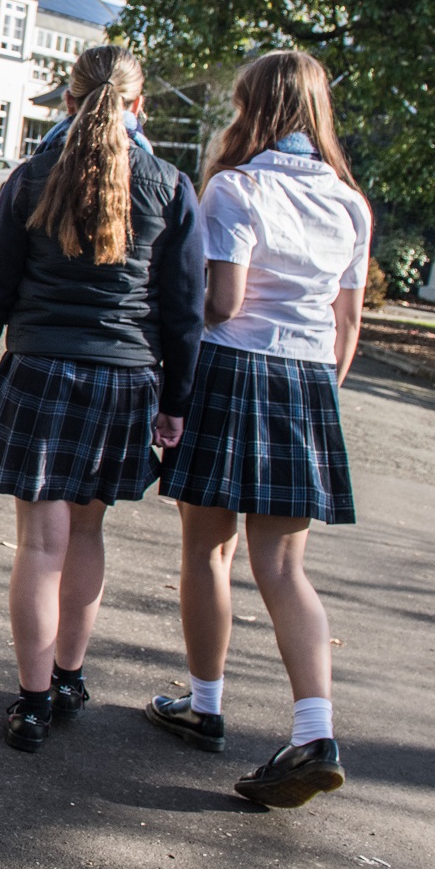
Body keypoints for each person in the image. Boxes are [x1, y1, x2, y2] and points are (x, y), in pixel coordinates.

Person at [0, 45, 204, 752]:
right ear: (139, 106)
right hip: (124, 379)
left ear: (67, 102)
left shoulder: (32, 175)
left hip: (39, 371)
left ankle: (31, 702)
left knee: (40, 543)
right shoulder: (168, 183)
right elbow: (183, 311)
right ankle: (69, 678)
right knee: (87, 535)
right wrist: (175, 400)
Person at [144, 50, 369, 809]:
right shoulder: (349, 202)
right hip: (307, 385)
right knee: (284, 566)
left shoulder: (236, 189)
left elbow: (225, 303)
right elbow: (349, 324)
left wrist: (176, 332)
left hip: (232, 372)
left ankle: (205, 707)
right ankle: (315, 730)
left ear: (252, 108)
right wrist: (316, 393)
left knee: (207, 547)